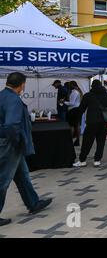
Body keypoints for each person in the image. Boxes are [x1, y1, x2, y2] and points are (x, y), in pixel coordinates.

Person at [0, 73, 53, 226]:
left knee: (22, 175)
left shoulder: (2, 95)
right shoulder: (14, 100)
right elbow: (11, 126)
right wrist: (16, 142)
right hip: (10, 146)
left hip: (8, 144)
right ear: (22, 84)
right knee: (3, 180)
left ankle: (33, 203)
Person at [73, 80, 107, 168]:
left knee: (87, 142)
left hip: (91, 122)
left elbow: (81, 109)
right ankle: (97, 160)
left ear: (92, 86)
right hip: (103, 121)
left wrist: (76, 118)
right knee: (101, 142)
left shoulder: (88, 95)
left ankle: (82, 160)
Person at [65, 81, 83, 146]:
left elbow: (72, 103)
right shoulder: (78, 92)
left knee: (71, 126)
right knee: (77, 125)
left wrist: (64, 102)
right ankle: (78, 140)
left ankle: (70, 140)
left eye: (69, 85)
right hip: (78, 110)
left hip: (73, 110)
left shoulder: (74, 92)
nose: (68, 87)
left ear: (72, 85)